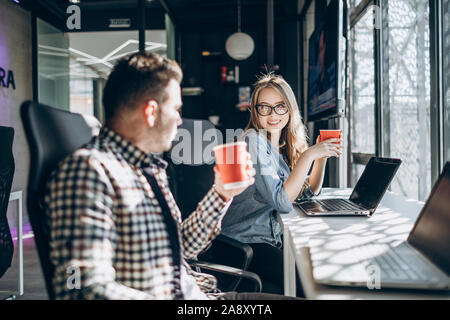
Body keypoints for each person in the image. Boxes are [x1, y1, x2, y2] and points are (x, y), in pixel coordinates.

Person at [44, 52, 297, 300]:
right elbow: (83, 289)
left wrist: (221, 194)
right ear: (151, 112)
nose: (179, 120)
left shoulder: (149, 169)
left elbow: (183, 246)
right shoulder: (90, 172)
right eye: (175, 109)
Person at [221, 73, 343, 296]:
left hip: (267, 239)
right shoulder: (252, 140)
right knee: (309, 287)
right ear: (254, 110)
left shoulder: (275, 148)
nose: (273, 114)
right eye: (264, 107)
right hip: (246, 244)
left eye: (280, 106)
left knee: (315, 274)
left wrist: (320, 157)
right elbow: (283, 202)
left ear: (290, 109)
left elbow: (307, 192)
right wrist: (307, 156)